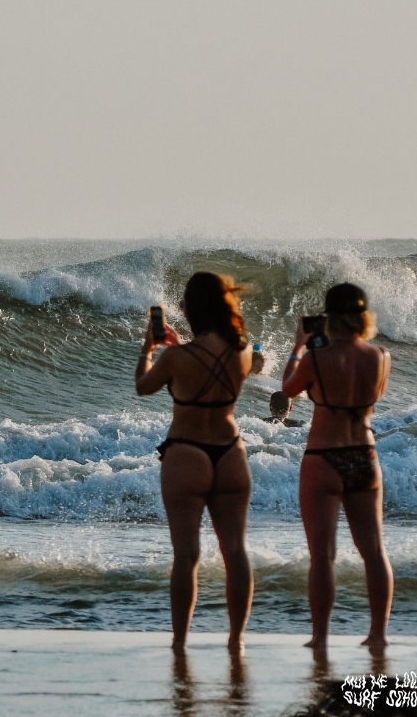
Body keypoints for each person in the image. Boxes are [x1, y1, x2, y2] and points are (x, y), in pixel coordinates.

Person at [135, 272, 254, 652]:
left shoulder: (175, 356)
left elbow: (143, 386)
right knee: (235, 551)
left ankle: (180, 643)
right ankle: (236, 641)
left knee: (186, 555)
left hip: (187, 452)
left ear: (190, 308)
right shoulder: (244, 350)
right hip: (231, 451)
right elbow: (213, 361)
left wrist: (148, 349)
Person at [282, 283, 392, 653]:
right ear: (363, 316)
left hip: (324, 457)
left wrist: (299, 346)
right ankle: (377, 635)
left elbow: (288, 389)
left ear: (328, 317)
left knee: (323, 556)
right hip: (365, 454)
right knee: (374, 551)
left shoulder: (316, 357)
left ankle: (321, 638)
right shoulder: (380, 356)